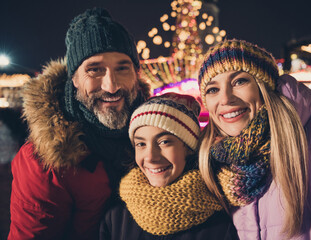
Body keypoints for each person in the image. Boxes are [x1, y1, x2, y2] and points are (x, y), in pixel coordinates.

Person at [8, 8, 150, 239]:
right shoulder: (42, 163)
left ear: (136, 73)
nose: (111, 86)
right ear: (73, 78)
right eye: (94, 70)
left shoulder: (157, 130)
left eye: (122, 68)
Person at [197, 39, 311, 239]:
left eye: (240, 81)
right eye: (213, 90)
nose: (225, 99)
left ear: (264, 86)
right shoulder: (214, 166)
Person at [100, 93, 238, 240]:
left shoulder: (220, 225)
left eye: (164, 142)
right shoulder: (115, 220)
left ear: (189, 147)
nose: (151, 157)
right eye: (141, 144)